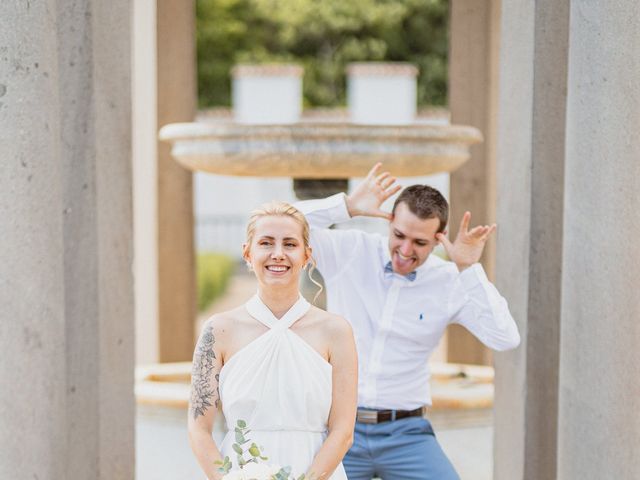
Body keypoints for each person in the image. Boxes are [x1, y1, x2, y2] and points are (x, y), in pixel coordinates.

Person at [295, 163, 521, 480]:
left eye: (419, 243)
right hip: (339, 426)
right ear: (390, 222)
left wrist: (469, 270)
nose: (404, 250)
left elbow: (506, 337)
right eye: (399, 235)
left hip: (408, 433)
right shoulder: (352, 251)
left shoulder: (449, 281)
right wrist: (346, 206)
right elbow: (273, 223)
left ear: (438, 238)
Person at [188, 202, 358, 480]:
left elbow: (343, 432)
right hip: (238, 472)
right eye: (266, 243)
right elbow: (199, 428)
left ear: (306, 255)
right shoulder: (217, 330)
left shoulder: (336, 331)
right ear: (247, 252)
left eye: (290, 244)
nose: (278, 254)